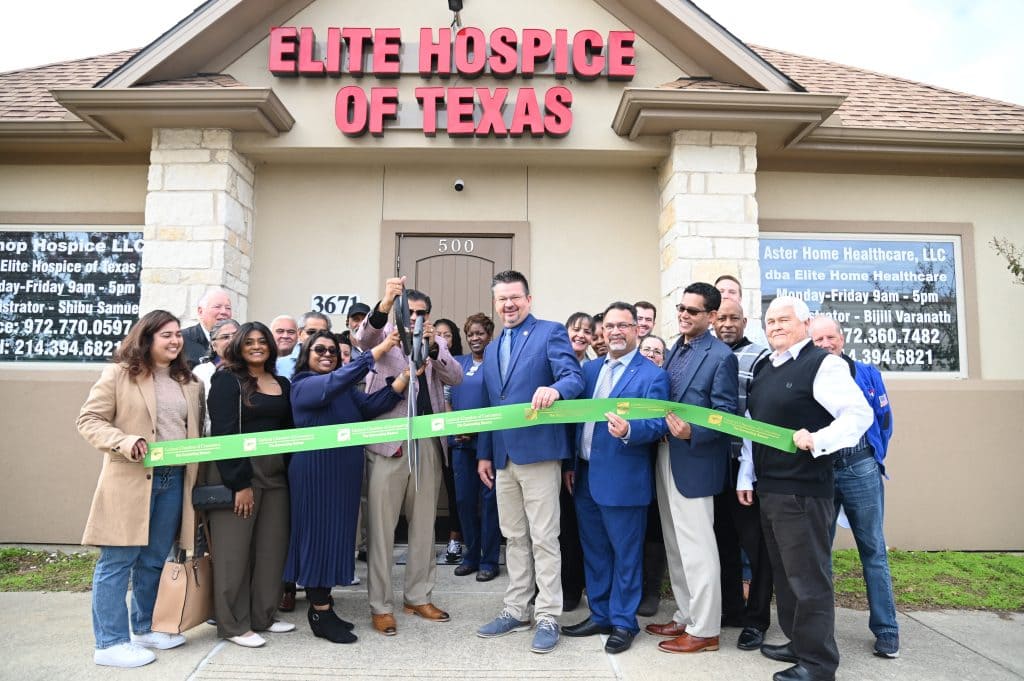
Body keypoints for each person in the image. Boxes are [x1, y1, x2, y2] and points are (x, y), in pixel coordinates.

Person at [738, 296, 872, 681]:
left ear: (805, 323)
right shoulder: (766, 367)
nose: (775, 326)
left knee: (808, 578)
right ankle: (799, 644)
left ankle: (818, 664)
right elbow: (753, 427)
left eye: (784, 320)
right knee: (785, 574)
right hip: (771, 488)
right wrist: (746, 476)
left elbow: (859, 414)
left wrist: (819, 438)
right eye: (770, 321)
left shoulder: (823, 364)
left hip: (804, 490)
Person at [77, 310, 203, 668]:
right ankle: (110, 642)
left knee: (152, 561)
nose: (175, 340)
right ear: (146, 338)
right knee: (117, 561)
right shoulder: (119, 374)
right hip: (130, 479)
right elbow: (88, 420)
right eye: (166, 334)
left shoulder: (190, 382)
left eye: (178, 334)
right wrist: (122, 440)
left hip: (173, 478)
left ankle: (145, 627)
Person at [476, 270, 584, 654]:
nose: (508, 304)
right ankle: (515, 609)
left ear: (528, 299)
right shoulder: (491, 348)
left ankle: (549, 614)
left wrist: (555, 389)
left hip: (539, 453)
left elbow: (574, 377)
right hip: (503, 456)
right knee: (514, 537)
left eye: (515, 298)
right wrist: (485, 453)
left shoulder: (550, 332)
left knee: (544, 538)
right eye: (502, 299)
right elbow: (493, 406)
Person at [285, 329, 411, 644]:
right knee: (317, 538)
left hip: (344, 475)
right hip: (315, 473)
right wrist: (380, 349)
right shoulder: (303, 385)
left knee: (336, 537)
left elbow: (369, 407)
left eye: (333, 350)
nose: (327, 354)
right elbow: (331, 384)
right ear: (306, 354)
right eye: (319, 350)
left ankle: (325, 606)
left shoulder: (343, 390)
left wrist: (404, 379)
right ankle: (319, 611)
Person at [353, 278, 463, 637]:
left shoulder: (436, 341)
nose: (415, 318)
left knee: (423, 526)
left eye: (421, 313)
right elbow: (362, 341)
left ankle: (418, 596)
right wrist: (386, 303)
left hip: (427, 443)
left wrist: (433, 348)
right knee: (382, 531)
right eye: (410, 312)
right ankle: (380, 606)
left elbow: (455, 377)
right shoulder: (382, 335)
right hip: (388, 444)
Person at [561, 302, 670, 655]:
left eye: (623, 325)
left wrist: (629, 430)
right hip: (586, 474)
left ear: (637, 329)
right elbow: (577, 419)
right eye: (609, 326)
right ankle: (601, 613)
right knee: (595, 552)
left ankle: (624, 622)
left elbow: (657, 424)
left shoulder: (652, 375)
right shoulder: (590, 370)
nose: (616, 332)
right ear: (602, 332)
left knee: (625, 554)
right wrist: (571, 464)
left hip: (624, 479)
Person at [647, 282, 738, 655]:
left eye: (693, 311)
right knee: (675, 544)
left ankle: (705, 630)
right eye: (681, 309)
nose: (683, 315)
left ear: (712, 317)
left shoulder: (721, 357)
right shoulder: (674, 350)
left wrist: (692, 432)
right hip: (666, 456)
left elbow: (726, 413)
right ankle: (685, 615)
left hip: (696, 459)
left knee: (698, 549)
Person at [809, 315, 899, 659]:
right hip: (822, 471)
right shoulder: (809, 375)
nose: (825, 344)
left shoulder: (867, 373)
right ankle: (820, 632)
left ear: (842, 339)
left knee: (873, 550)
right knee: (820, 554)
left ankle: (887, 630)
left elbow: (884, 420)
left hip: (860, 467)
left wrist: (873, 456)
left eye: (830, 337)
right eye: (818, 339)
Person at [206, 321, 295, 649]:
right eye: (249, 342)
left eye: (263, 341)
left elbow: (289, 432)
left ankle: (262, 616)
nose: (257, 346)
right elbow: (224, 433)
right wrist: (239, 484)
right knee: (234, 553)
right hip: (238, 475)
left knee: (271, 551)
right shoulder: (228, 380)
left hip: (276, 477)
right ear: (239, 347)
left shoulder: (282, 383)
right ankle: (232, 624)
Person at [711, 299, 774, 651]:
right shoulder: (708, 354)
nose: (727, 324)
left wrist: (748, 471)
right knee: (722, 543)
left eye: (734, 318)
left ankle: (757, 619)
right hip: (713, 463)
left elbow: (757, 413)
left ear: (745, 321)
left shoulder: (759, 357)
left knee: (756, 546)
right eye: (721, 318)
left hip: (745, 465)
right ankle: (731, 609)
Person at [449, 313, 501, 582]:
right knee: (464, 501)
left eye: (480, 333)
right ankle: (471, 556)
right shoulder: (458, 363)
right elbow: (447, 397)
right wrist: (453, 426)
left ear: (489, 335)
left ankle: (490, 560)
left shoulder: (497, 363)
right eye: (470, 334)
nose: (475, 338)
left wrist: (477, 430)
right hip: (459, 444)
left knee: (489, 503)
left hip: (487, 443)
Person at [560, 311, 595, 609]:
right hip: (554, 454)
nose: (581, 334)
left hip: (577, 459)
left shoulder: (594, 370)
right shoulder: (554, 365)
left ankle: (572, 588)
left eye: (587, 331)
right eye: (576, 329)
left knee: (574, 527)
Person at [433, 317, 466, 564]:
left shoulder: (461, 365)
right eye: (438, 334)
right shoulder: (427, 363)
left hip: (459, 437)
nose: (443, 339)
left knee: (459, 492)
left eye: (447, 334)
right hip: (435, 436)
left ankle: (457, 536)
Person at [193, 318, 241, 434]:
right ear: (214, 345)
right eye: (225, 337)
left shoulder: (254, 370)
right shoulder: (201, 372)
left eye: (236, 335)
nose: (232, 340)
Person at [181, 288, 233, 367]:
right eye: (217, 307)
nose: (224, 312)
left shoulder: (237, 341)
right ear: (200, 311)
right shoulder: (182, 339)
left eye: (228, 308)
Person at [715, 274, 769, 349]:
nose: (726, 296)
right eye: (721, 292)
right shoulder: (703, 329)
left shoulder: (756, 331)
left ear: (740, 298)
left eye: (732, 292)